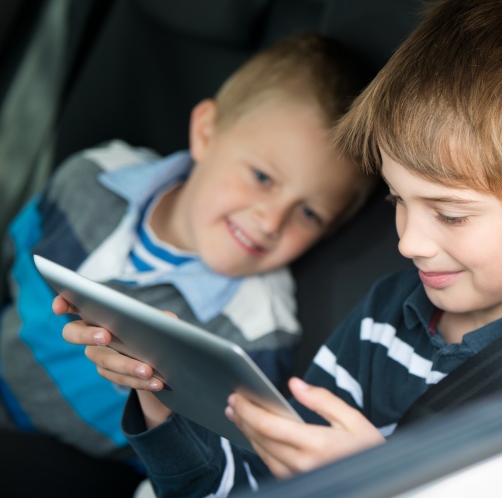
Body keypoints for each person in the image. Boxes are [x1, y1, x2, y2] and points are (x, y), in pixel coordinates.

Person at [59, 0, 502, 496]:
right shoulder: (388, 315)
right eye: (398, 202)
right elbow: (245, 486)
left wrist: (386, 479)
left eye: (451, 214)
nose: (410, 242)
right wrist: (165, 396)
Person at [0, 33, 373, 492]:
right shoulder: (93, 177)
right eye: (261, 177)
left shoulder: (255, 331)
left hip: (87, 466)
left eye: (309, 213)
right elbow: (17, 259)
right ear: (205, 133)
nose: (271, 220)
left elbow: (218, 454)